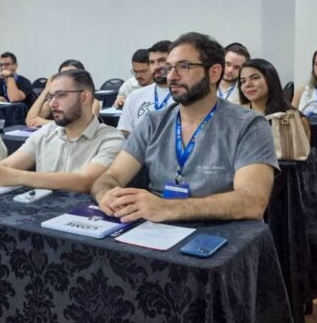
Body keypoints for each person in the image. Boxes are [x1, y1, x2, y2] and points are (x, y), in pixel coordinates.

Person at [92, 32, 278, 223]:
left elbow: (252, 202)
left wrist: (167, 207)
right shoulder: (153, 122)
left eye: (184, 66)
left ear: (213, 73)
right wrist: (106, 195)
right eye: (169, 68)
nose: (171, 76)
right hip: (156, 230)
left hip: (221, 235)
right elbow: (110, 177)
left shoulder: (249, 125)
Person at [0, 69, 124, 193]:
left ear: (85, 97)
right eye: (50, 97)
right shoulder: (46, 132)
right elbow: (7, 165)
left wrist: (16, 176)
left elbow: (85, 181)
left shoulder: (111, 139)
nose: (52, 104)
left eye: (60, 95)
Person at [238, 58, 310, 140]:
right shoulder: (236, 116)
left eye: (255, 78)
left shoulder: (293, 118)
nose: (247, 84)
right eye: (243, 81)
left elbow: (301, 151)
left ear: (270, 79)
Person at [117, 40, 174, 136]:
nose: (156, 66)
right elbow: (124, 133)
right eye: (152, 62)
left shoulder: (185, 95)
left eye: (162, 61)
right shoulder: (134, 96)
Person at [25, 59, 101, 128]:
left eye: (71, 74)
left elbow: (86, 125)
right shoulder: (52, 103)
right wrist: (46, 90)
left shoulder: (93, 103)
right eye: (63, 75)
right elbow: (30, 121)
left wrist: (45, 122)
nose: (66, 79)